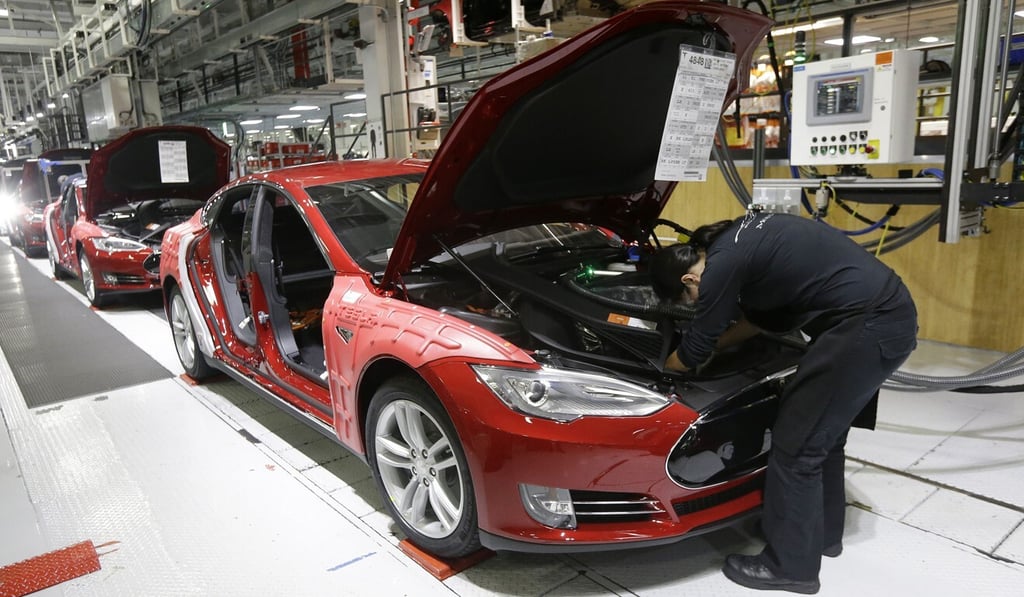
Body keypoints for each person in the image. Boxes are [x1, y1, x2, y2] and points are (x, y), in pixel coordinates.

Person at [652, 212, 918, 595]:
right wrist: (717, 347)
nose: (699, 302)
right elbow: (761, 322)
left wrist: (664, 367)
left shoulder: (720, 266)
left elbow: (693, 349)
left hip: (864, 327)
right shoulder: (737, 241)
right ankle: (820, 534)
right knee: (824, 437)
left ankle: (790, 566)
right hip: (883, 317)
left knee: (796, 447)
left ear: (689, 280)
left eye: (691, 301)